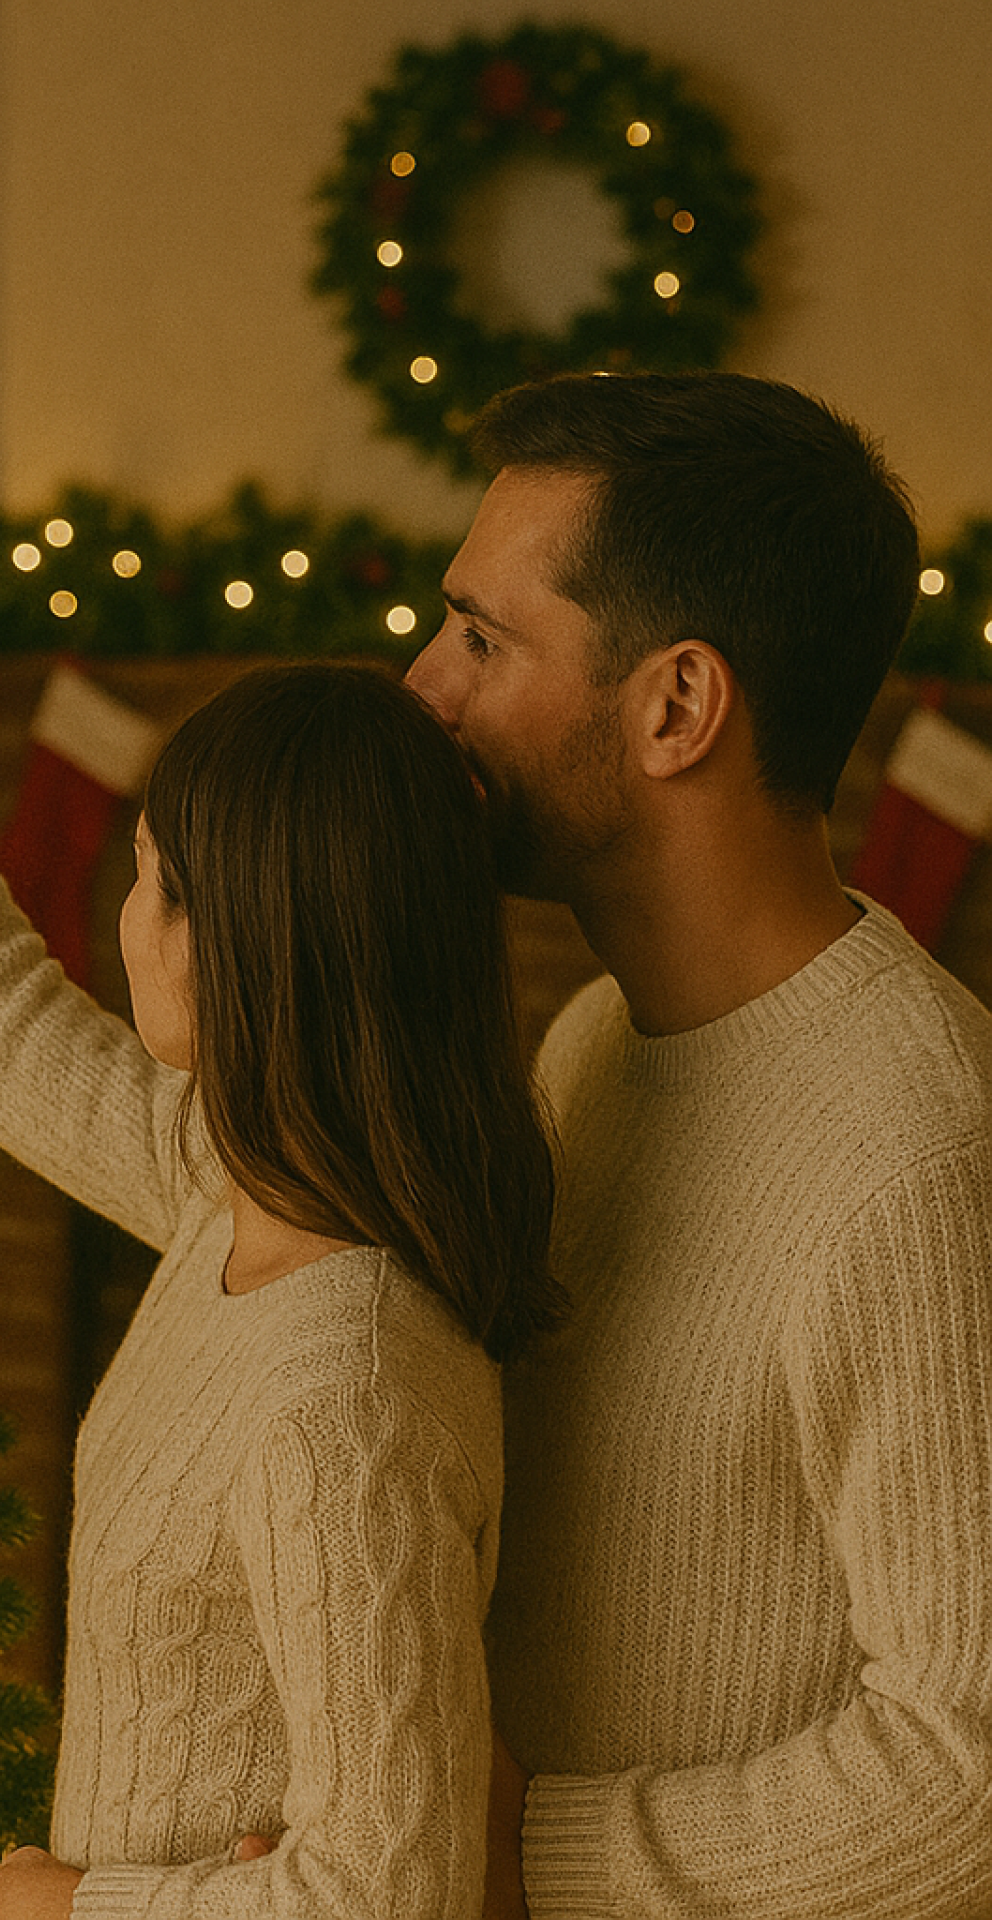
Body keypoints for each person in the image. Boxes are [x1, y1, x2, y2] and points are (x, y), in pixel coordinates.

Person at [0, 377, 563, 1918]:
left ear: (256, 951)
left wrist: (76, 1908)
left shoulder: (340, 1393)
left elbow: (390, 1890)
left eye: (152, 884)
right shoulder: (244, 1196)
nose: (122, 921)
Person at [400, 371, 992, 1918]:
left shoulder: (922, 1153)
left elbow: (970, 1774)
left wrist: (535, 1858)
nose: (423, 685)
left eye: (481, 638)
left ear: (677, 707)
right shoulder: (595, 1043)